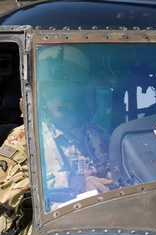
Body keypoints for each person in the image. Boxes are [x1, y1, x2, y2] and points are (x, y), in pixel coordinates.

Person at [36, 45, 114, 207]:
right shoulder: (26, 137)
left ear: (80, 93)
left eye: (66, 93)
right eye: (51, 92)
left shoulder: (101, 135)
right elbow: (6, 190)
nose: (58, 100)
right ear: (41, 94)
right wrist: (75, 182)